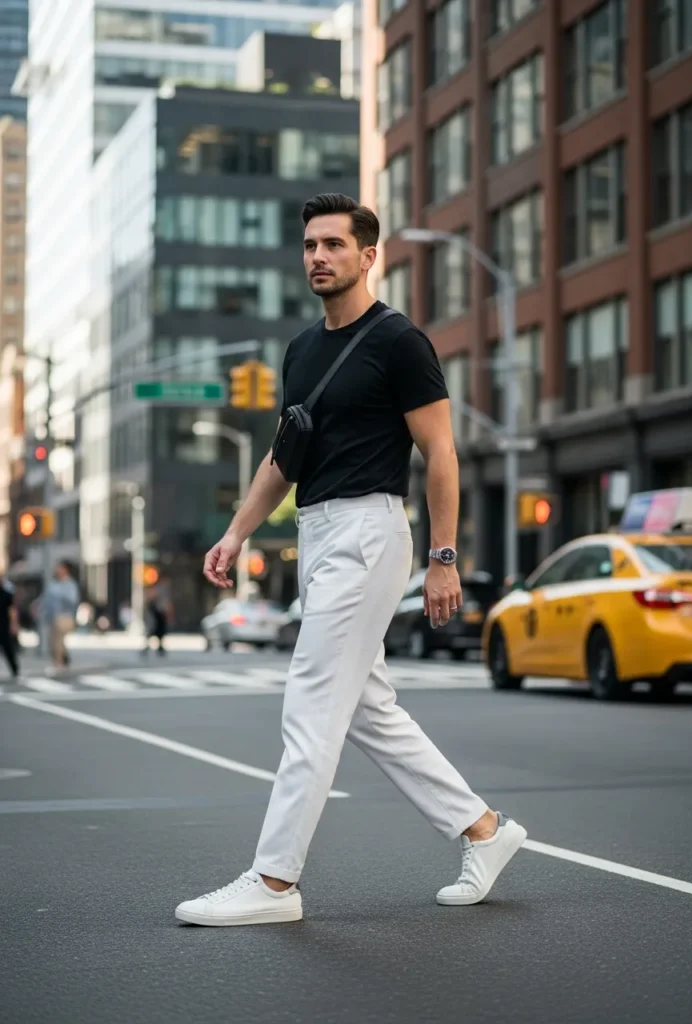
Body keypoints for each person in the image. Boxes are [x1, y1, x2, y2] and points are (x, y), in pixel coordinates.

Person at [176, 193, 527, 928]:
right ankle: (484, 831)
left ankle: (274, 883)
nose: (318, 257)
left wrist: (442, 557)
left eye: (333, 245)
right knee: (369, 710)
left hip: (370, 530)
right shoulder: (301, 351)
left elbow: (440, 453)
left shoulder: (399, 342)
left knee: (309, 703)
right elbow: (284, 455)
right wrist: (236, 532)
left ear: (368, 256)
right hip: (317, 531)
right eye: (309, 245)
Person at [41, 562, 80, 672]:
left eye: (60, 569)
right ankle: (63, 659)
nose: (58, 571)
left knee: (58, 640)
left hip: (65, 616)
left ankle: (58, 663)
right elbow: (45, 599)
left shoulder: (70, 584)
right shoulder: (52, 584)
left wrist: (59, 596)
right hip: (52, 617)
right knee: (53, 641)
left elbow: (72, 600)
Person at [0, 575, 20, 680]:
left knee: (8, 649)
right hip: (4, 625)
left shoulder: (6, 594)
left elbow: (12, 610)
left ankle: (15, 670)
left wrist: (14, 624)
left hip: (3, 625)